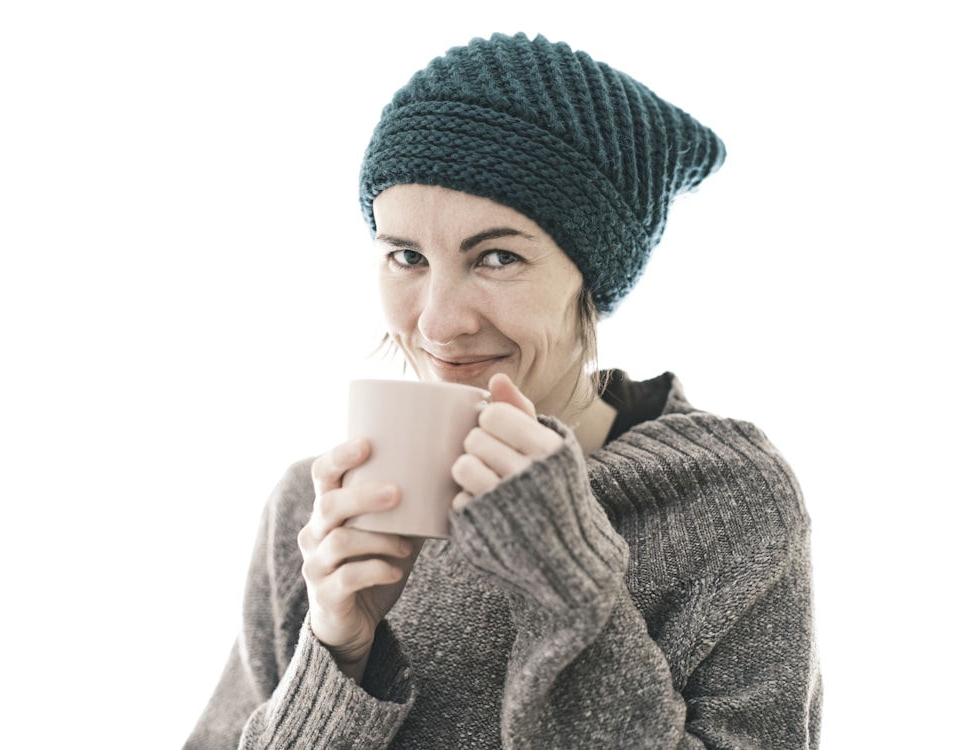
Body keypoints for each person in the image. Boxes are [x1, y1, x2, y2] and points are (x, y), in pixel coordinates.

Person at [184, 32, 821, 749]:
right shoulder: (315, 511)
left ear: (591, 273)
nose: (437, 321)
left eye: (496, 256)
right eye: (405, 256)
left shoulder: (726, 500)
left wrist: (566, 583)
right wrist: (336, 657)